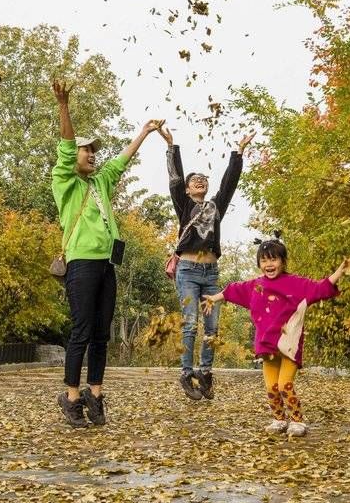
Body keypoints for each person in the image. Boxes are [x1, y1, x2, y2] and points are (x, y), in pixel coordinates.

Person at [52, 79, 162, 428]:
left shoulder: (100, 182)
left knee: (102, 333)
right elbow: (66, 147)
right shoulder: (65, 181)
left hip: (106, 264)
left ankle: (95, 395)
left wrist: (143, 133)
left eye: (93, 150)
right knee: (81, 330)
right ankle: (70, 397)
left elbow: (120, 162)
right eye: (87, 150)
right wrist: (64, 105)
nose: (92, 154)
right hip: (81, 262)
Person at [203, 236, 350, 437]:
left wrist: (339, 272)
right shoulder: (255, 286)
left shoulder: (296, 284)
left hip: (288, 344)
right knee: (271, 386)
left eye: (273, 259)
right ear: (259, 264)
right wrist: (214, 299)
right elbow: (233, 289)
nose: (269, 264)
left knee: (285, 385)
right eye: (264, 260)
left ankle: (297, 421)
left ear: (283, 262)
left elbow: (320, 288)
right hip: (267, 345)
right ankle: (279, 419)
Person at [157, 125, 255, 401]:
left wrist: (238, 152)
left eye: (203, 178)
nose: (200, 180)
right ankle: (187, 374)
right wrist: (171, 147)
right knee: (190, 324)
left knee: (212, 327)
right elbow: (174, 179)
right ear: (188, 190)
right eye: (194, 179)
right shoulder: (184, 205)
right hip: (187, 271)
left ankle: (206, 372)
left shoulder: (215, 207)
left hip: (210, 273)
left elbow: (229, 185)